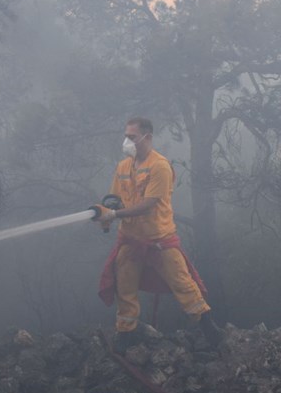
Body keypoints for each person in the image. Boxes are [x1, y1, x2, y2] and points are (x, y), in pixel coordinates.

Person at [94, 117, 222, 352]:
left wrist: (113, 214)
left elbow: (148, 204)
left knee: (183, 283)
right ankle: (126, 333)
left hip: (160, 241)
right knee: (125, 286)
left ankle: (208, 327)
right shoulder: (123, 167)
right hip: (130, 240)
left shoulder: (160, 166)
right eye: (126, 136)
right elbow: (115, 200)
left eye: (132, 137)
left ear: (147, 137)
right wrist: (106, 214)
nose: (127, 141)